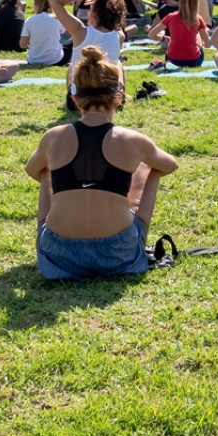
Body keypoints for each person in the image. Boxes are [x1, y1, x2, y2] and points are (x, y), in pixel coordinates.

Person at [26, 47, 180, 280]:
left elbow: (32, 169)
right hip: (119, 254)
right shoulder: (132, 140)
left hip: (60, 257)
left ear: (75, 98)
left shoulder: (53, 136)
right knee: (150, 166)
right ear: (118, 98)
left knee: (47, 169)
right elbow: (170, 165)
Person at [49, 0, 127, 106]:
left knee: (72, 67)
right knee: (118, 64)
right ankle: (120, 94)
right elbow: (117, 16)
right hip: (108, 102)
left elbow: (54, 0)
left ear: (95, 15)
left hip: (79, 102)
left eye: (90, 10)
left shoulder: (80, 31)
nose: (88, 13)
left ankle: (71, 96)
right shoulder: (119, 36)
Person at [149, 0, 211, 67]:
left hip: (172, 59)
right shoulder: (198, 19)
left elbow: (151, 34)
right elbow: (208, 44)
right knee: (197, 34)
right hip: (193, 60)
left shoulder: (170, 17)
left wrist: (164, 38)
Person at [21, 0, 71, 68]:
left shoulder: (29, 20)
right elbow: (66, 32)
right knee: (70, 42)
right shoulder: (56, 19)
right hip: (55, 59)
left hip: (33, 60)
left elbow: (23, 45)